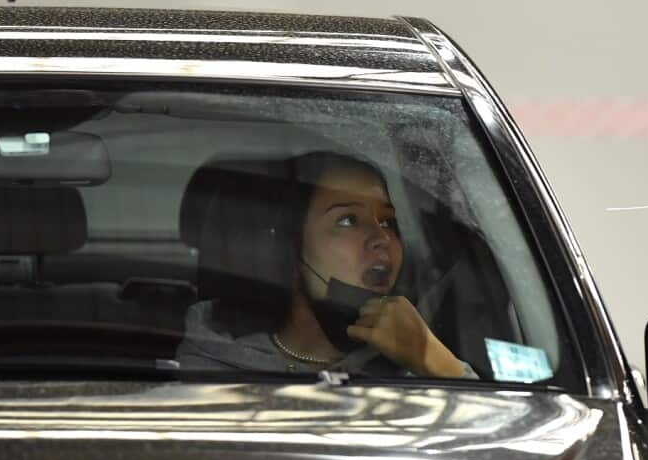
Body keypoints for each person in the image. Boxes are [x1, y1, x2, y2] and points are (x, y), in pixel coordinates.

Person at [177, 151, 476, 379]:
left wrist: (435, 361)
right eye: (348, 220)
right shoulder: (216, 366)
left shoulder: (412, 364)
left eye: (387, 221)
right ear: (290, 249)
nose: (381, 237)